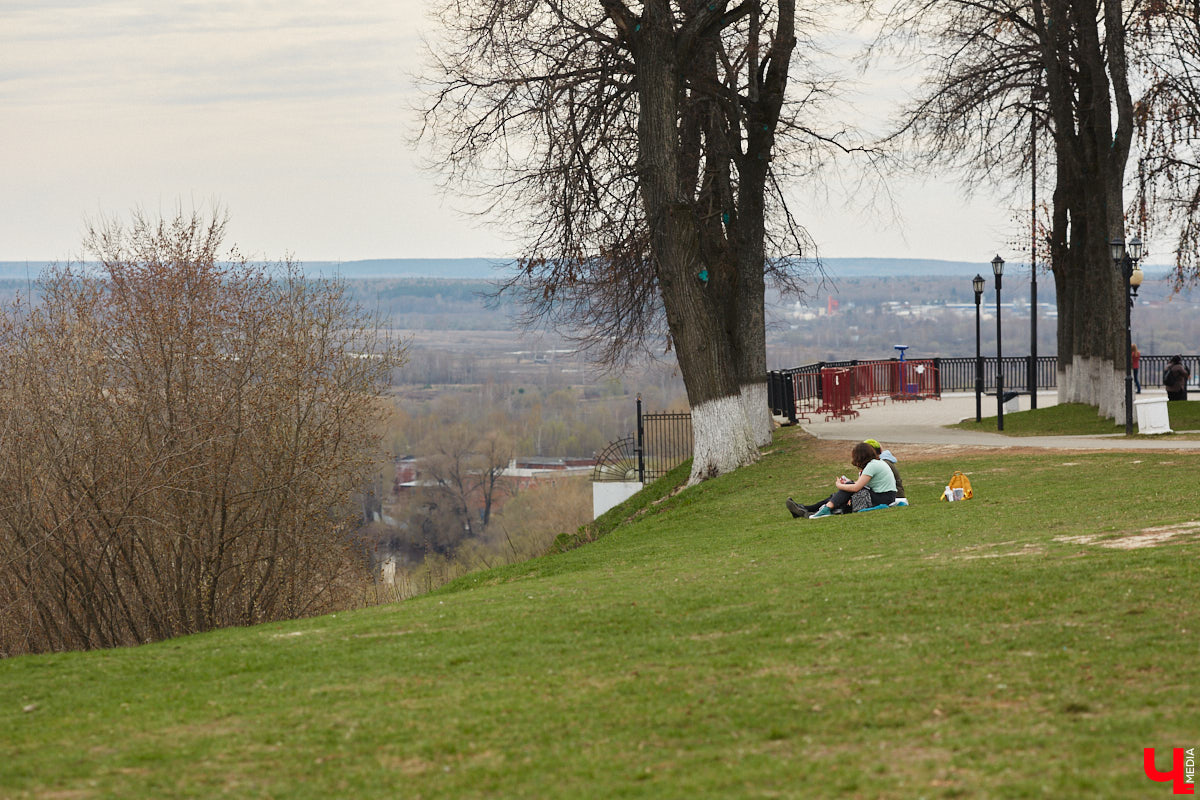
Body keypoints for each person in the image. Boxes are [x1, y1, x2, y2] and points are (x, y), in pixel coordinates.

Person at [786, 441, 896, 520]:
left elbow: (856, 487)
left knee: (846, 490)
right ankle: (807, 509)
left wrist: (840, 485)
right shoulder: (876, 463)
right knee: (841, 493)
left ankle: (821, 510)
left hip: (882, 498)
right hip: (883, 496)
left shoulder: (872, 465)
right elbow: (860, 485)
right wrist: (848, 485)